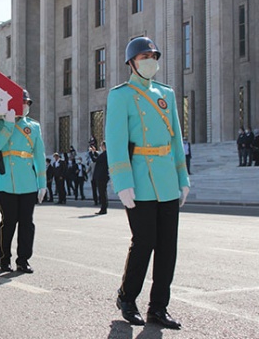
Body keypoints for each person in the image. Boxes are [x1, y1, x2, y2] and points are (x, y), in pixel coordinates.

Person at [106, 36, 190, 329]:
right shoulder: (121, 95)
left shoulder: (165, 93)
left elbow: (175, 141)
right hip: (139, 180)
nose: (149, 61)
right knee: (144, 242)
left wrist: (183, 178)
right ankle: (127, 298)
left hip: (166, 178)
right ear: (131, 63)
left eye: (153, 55)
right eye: (143, 57)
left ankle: (158, 307)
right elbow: (115, 142)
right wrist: (122, 180)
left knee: (168, 246)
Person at [0, 89, 46, 273]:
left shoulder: (34, 126)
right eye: (21, 102)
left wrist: (42, 183)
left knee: (26, 223)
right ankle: (4, 258)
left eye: (27, 103)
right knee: (8, 221)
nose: (25, 106)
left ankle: (23, 259)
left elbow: (39, 155)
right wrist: (8, 124)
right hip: (5, 181)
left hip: (27, 182)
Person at [93, 141, 109, 215]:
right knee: (103, 192)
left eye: (101, 146)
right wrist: (95, 152)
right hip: (103, 176)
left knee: (102, 193)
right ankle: (104, 207)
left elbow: (95, 159)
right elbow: (99, 157)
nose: (101, 147)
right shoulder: (105, 154)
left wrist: (91, 153)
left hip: (102, 176)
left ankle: (103, 208)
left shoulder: (105, 154)